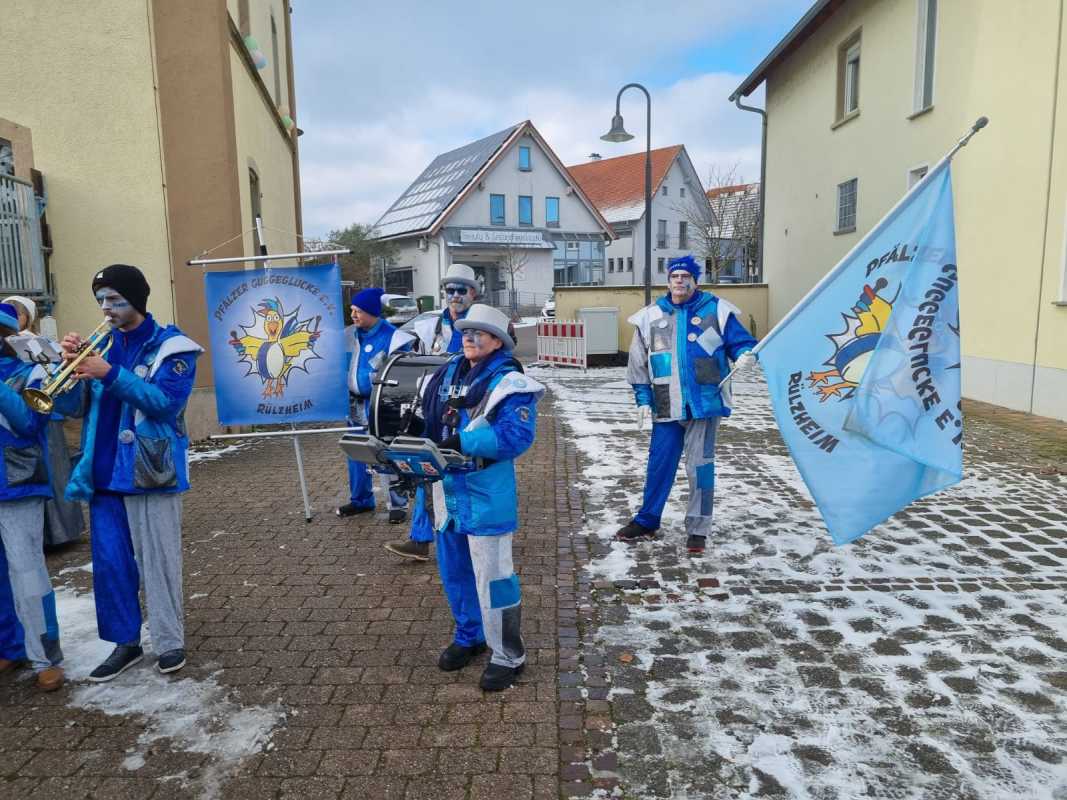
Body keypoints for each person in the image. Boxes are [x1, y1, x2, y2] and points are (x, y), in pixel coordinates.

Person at [62, 264, 203, 681]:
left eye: (115, 299)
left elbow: (165, 404)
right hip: (103, 472)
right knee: (111, 565)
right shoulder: (100, 346)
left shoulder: (173, 347)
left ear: (137, 300)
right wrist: (68, 368)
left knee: (158, 560)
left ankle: (169, 640)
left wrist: (109, 373)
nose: (106, 308)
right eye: (101, 300)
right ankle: (124, 642)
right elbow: (70, 408)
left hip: (149, 470)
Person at [421, 303, 543, 691]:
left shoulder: (511, 383)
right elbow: (426, 420)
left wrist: (463, 441)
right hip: (447, 492)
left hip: (486, 494)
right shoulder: (446, 374)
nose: (469, 338)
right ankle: (469, 636)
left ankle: (508, 654)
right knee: (455, 573)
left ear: (498, 341)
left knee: (495, 580)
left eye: (478, 333)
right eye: (465, 332)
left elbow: (515, 437)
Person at [616, 255, 757, 555]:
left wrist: (746, 353)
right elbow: (638, 365)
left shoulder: (716, 310)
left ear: (695, 280)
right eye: (674, 276)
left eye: (685, 276)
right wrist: (643, 399)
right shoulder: (650, 317)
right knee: (659, 465)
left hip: (704, 404)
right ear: (668, 281)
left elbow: (740, 342)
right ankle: (647, 521)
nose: (679, 281)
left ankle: (698, 529)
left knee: (700, 468)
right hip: (666, 405)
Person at [385, 264, 481, 562]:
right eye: (450, 290)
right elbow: (407, 356)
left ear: (473, 293)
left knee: (463, 474)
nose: (455, 296)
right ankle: (420, 539)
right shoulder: (430, 326)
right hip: (434, 407)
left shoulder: (482, 323)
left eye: (461, 290)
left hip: (468, 409)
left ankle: (467, 537)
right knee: (426, 469)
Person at [0, 302, 65, 691]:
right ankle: (10, 646)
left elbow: (28, 422)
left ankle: (45, 656)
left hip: (18, 482)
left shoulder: (34, 370)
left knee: (27, 573)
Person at [3, 294, 84, 547]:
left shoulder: (37, 346)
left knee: (56, 474)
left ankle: (61, 533)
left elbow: (32, 416)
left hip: (48, 420)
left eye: (20, 312)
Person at [338, 287, 416, 522]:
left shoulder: (394, 337)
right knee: (355, 453)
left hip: (380, 405)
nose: (353, 314)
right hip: (353, 404)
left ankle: (397, 505)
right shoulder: (349, 335)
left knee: (385, 453)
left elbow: (404, 371)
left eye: (358, 311)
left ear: (372, 312)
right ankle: (361, 500)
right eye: (352, 310)